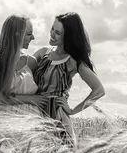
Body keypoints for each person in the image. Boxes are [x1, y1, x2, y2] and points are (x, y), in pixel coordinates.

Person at [32, 12, 105, 140]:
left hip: (58, 119)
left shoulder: (73, 61)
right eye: (52, 29)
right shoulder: (42, 53)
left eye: (58, 33)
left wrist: (73, 110)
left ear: (68, 37)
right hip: (35, 115)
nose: (52, 34)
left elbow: (99, 90)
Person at [0, 14, 47, 115]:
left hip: (31, 119)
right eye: (29, 34)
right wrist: (29, 99)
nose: (33, 37)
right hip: (4, 120)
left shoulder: (31, 62)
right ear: (17, 34)